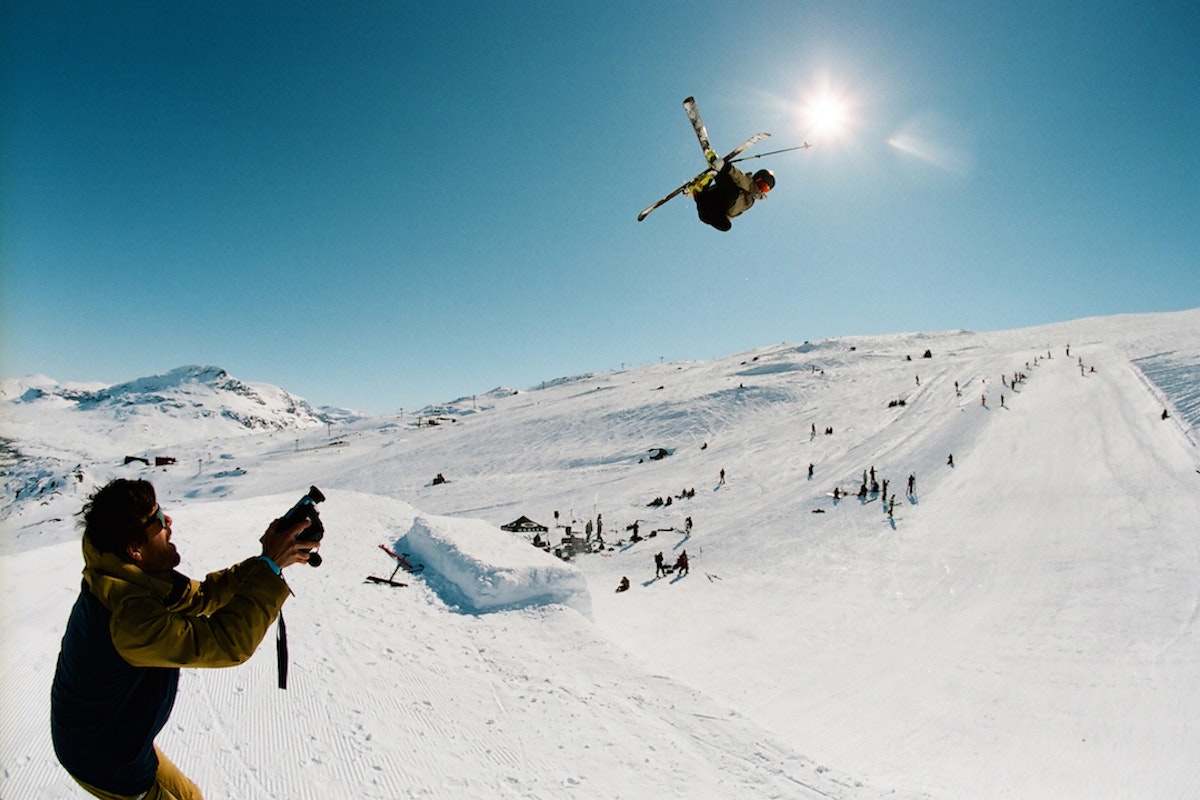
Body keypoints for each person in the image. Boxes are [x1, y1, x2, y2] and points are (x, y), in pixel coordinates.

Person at [50, 479, 317, 800]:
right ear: (135, 549)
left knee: (190, 796)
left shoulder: (128, 573)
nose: (169, 522)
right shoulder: (130, 616)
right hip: (106, 762)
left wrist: (267, 561)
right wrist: (270, 567)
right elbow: (227, 643)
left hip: (114, 737)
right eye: (158, 520)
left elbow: (203, 596)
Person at [692, 159, 775, 232]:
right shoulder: (748, 183)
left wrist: (723, 218)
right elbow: (739, 176)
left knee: (726, 226)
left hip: (710, 210)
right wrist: (726, 167)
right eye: (762, 185)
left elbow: (734, 214)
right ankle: (714, 173)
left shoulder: (750, 202)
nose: (760, 190)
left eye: (765, 189)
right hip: (714, 197)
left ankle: (699, 192)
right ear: (757, 178)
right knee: (733, 191)